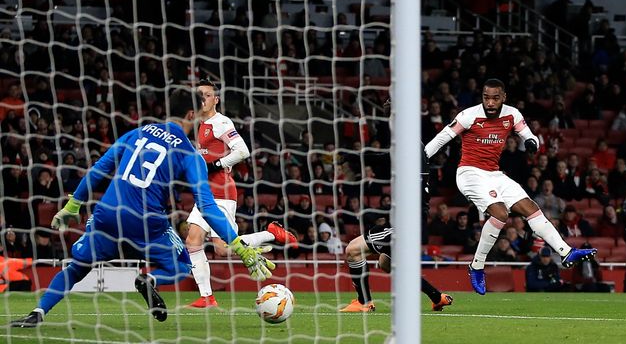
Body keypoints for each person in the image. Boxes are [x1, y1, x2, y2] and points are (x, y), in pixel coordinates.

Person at [10, 88, 275, 328]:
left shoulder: (137, 132)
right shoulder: (189, 154)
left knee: (77, 268)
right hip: (147, 223)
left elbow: (100, 168)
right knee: (183, 264)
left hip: (107, 215)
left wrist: (73, 204)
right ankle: (150, 280)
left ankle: (38, 312)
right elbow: (207, 207)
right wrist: (238, 244)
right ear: (192, 114)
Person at [424, 78, 596, 295]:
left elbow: (527, 134)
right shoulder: (468, 115)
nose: (490, 102)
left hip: (494, 174)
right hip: (469, 173)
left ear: (503, 97)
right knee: (500, 213)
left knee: (530, 208)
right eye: (486, 97)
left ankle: (566, 252)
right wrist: (421, 159)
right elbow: (441, 138)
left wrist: (533, 142)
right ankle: (476, 266)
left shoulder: (512, 114)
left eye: (495, 98)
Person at [186, 79, 296, 309]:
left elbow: (243, 150)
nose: (203, 99)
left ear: (216, 100)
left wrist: (217, 164)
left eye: (207, 95)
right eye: (200, 95)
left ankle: (271, 233)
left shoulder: (221, 122)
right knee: (192, 240)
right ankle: (207, 297)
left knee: (223, 249)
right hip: (205, 192)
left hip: (222, 192)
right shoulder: (198, 122)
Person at [339, 145, 452, 313]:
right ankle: (437, 297)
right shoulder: (418, 160)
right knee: (386, 263)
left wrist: (352, 156)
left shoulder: (411, 155)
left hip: (405, 225)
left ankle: (364, 302)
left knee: (353, 250)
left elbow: (381, 157)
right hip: (413, 224)